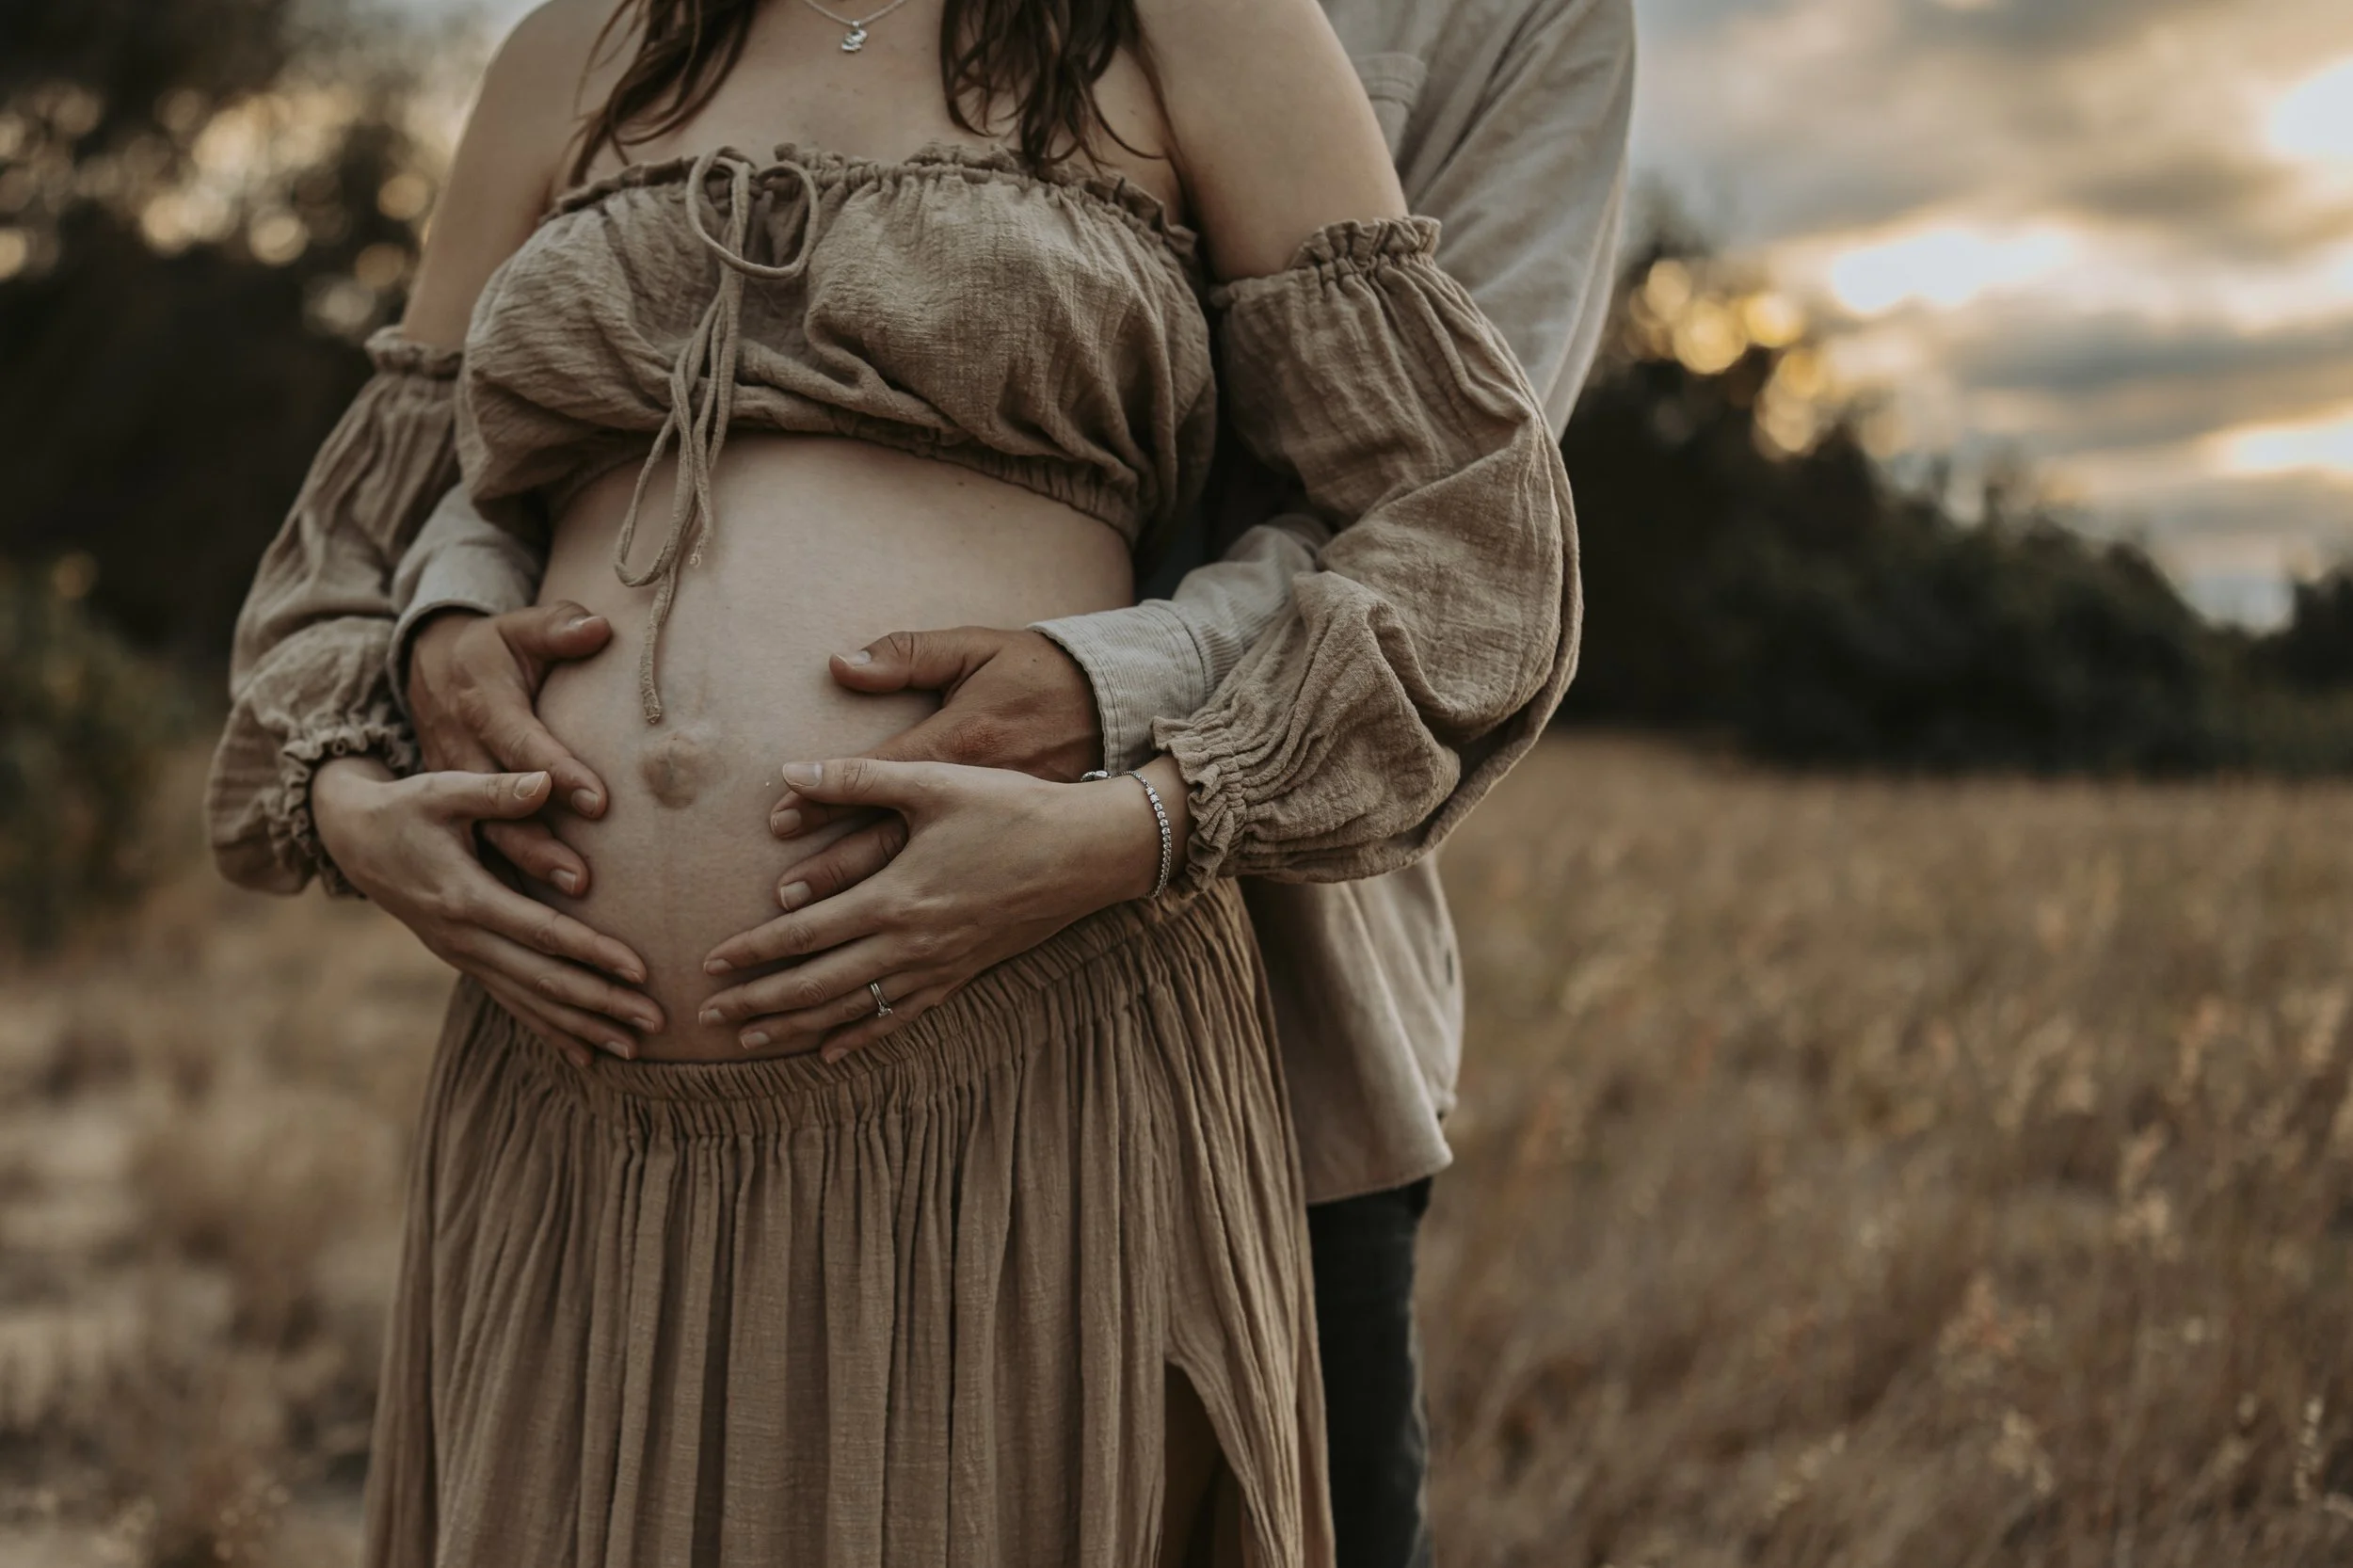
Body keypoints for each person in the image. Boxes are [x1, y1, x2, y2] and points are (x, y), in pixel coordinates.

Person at [203, 0, 1584, 1562]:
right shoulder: (573, 50)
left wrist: (1140, 819)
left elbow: (1465, 532)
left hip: (1028, 1071)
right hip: (573, 1109)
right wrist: (359, 795)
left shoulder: (1201, 30)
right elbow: (356, 546)